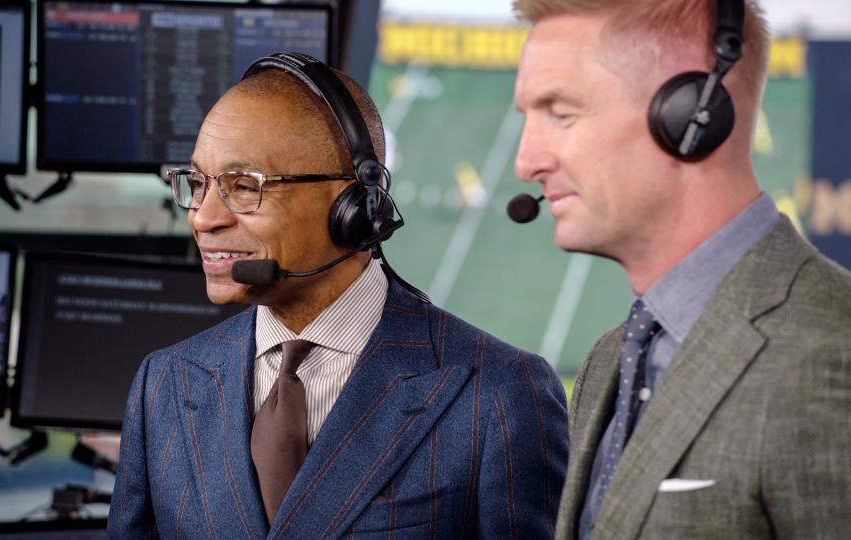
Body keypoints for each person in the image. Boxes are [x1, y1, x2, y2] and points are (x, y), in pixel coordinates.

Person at [108, 54, 568, 539]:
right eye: (198, 184)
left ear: (353, 205)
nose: (203, 217)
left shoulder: (500, 392)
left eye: (244, 187)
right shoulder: (164, 383)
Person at [511, 0, 851, 538]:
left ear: (693, 116)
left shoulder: (830, 353)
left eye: (561, 113)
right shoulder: (608, 360)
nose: (526, 161)